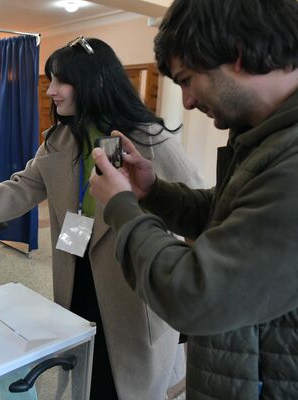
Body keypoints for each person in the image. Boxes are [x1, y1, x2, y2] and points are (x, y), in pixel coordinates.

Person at [0, 39, 203, 399]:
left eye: (59, 81)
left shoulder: (149, 139)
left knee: (122, 382)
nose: (50, 91)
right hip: (76, 276)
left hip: (130, 290)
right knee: (86, 371)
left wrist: (189, 295)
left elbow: (198, 210)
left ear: (91, 81)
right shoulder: (59, 139)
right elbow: (17, 191)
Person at [88, 0, 298, 399]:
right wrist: (152, 192)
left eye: (187, 79)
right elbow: (231, 215)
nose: (185, 101)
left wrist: (121, 207)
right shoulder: (262, 135)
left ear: (236, 53)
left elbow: (193, 293)